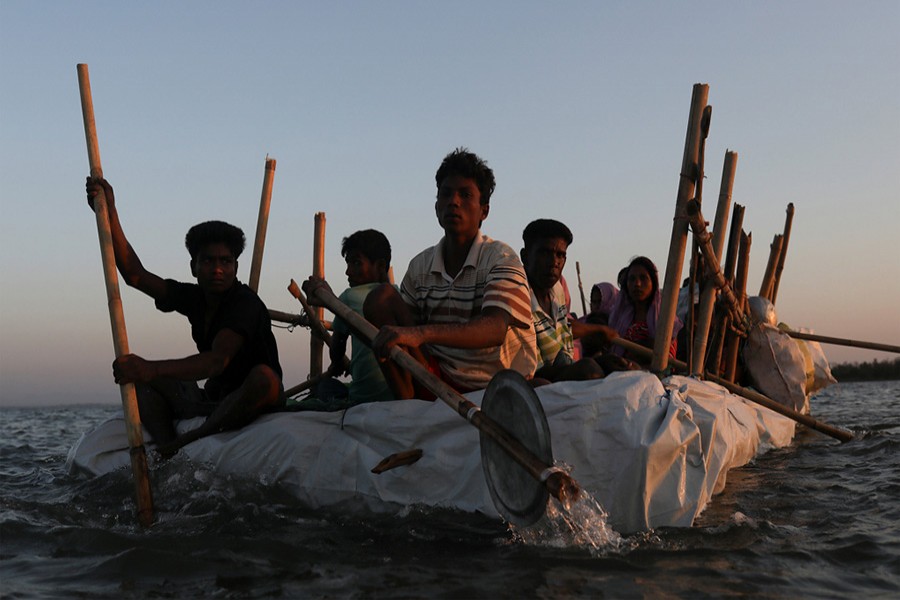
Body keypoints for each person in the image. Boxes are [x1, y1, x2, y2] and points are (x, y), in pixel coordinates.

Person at [85, 177, 284, 456]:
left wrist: (151, 367)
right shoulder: (194, 296)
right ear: (194, 266)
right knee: (139, 377)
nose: (218, 269)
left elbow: (217, 361)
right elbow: (135, 275)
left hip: (251, 397)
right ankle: (169, 449)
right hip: (216, 400)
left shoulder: (245, 303)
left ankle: (191, 441)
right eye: (208, 261)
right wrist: (109, 213)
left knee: (266, 378)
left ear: (236, 267)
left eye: (225, 262)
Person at [364, 148, 538, 397]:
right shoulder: (419, 267)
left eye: (465, 195)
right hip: (436, 378)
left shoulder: (500, 257)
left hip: (497, 384)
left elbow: (495, 329)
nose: (453, 202)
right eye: (446, 194)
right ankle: (408, 406)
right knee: (381, 299)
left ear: (484, 211)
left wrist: (421, 334)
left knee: (542, 392)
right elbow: (403, 330)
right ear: (436, 206)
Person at [520, 219, 617, 382]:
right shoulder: (518, 296)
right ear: (525, 256)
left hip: (560, 376)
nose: (554, 262)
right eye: (545, 253)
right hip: (533, 384)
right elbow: (531, 374)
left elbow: (564, 335)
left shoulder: (557, 290)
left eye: (560, 255)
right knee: (589, 370)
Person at [315, 229, 396, 405]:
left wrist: (336, 365)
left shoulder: (349, 298)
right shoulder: (399, 295)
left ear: (381, 267)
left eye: (356, 263)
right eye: (348, 264)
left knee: (325, 387)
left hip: (363, 398)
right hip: (398, 393)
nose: (348, 272)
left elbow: (337, 350)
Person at [608, 255, 682, 367]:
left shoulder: (664, 317)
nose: (637, 284)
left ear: (653, 283)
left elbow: (668, 359)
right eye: (632, 279)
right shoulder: (618, 318)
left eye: (643, 278)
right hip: (619, 375)